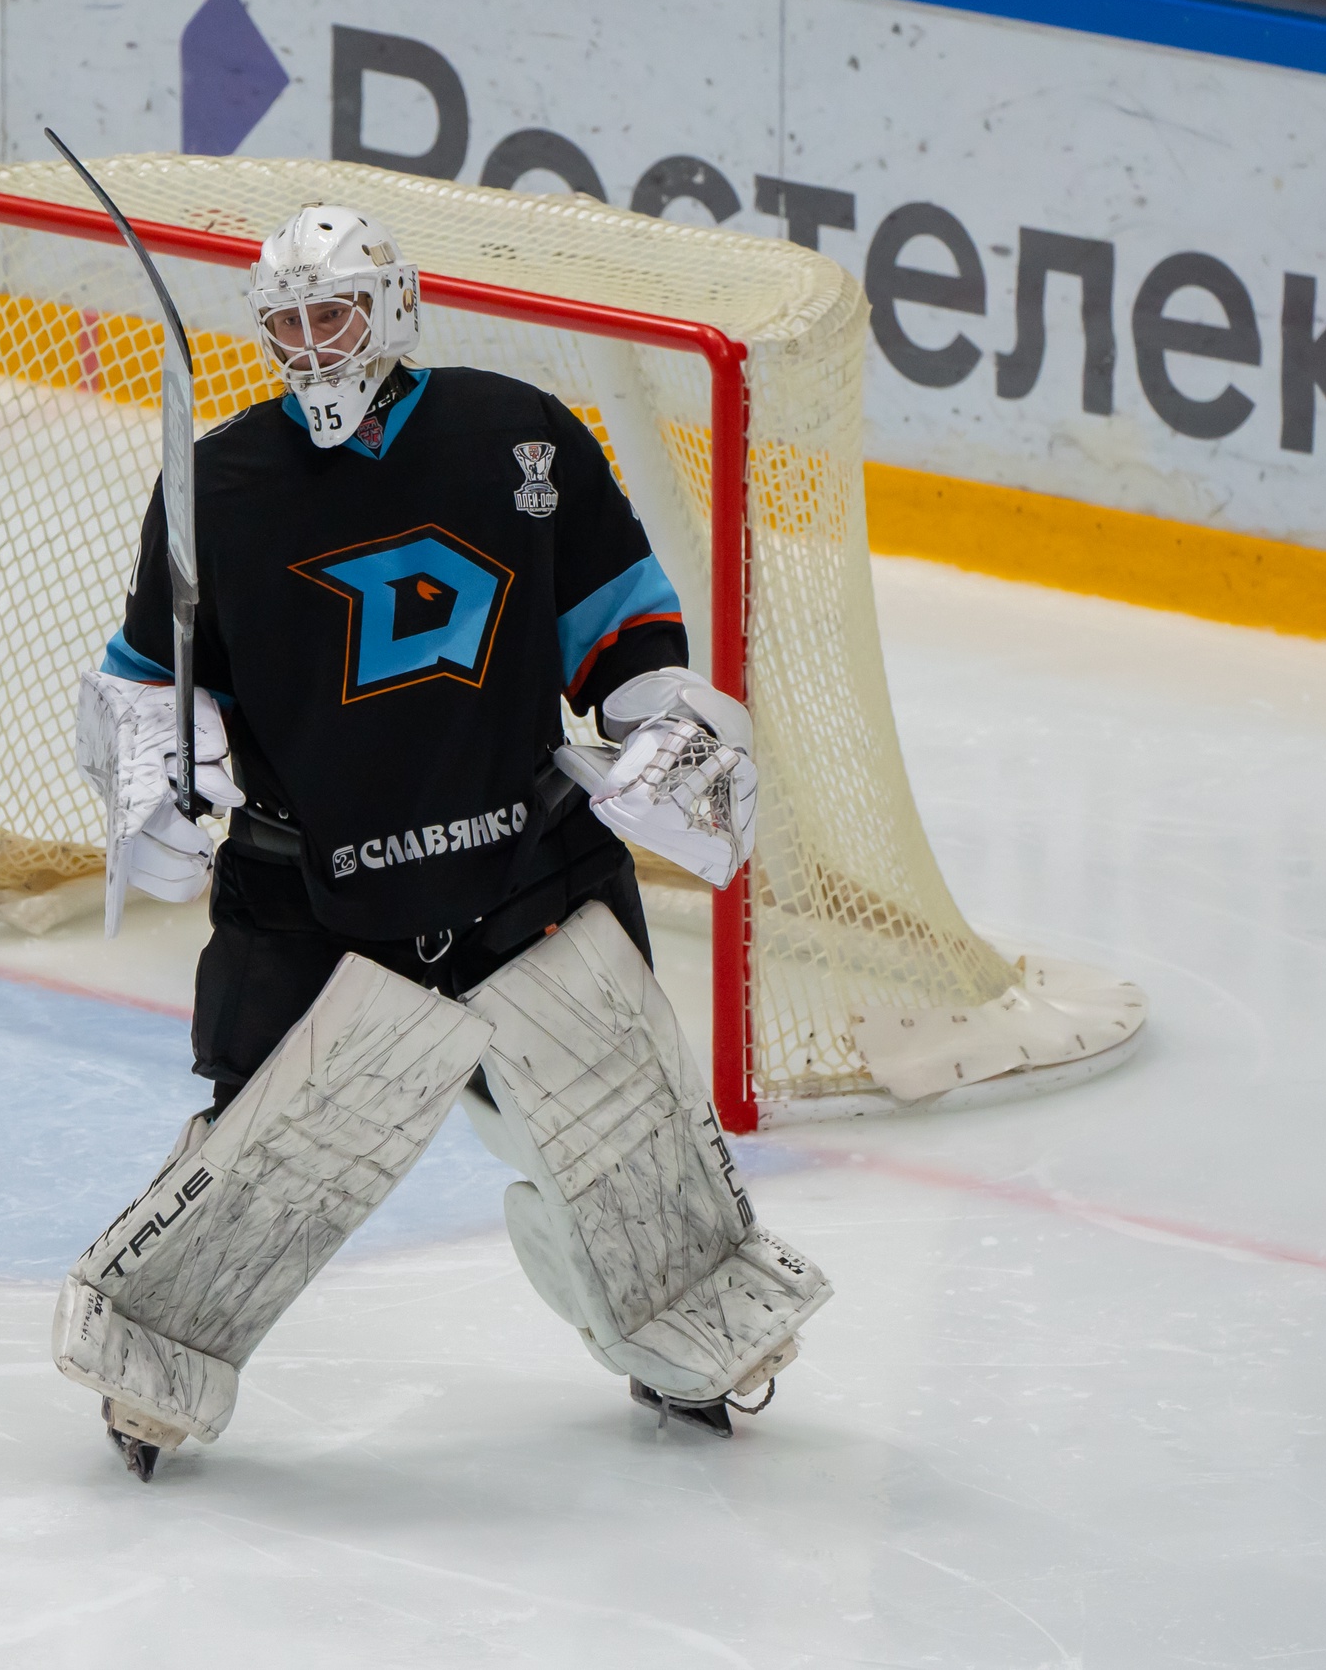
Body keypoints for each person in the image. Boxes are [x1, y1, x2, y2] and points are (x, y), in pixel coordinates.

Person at [52, 204, 830, 1482]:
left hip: (522, 858)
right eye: (288, 323)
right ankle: (155, 1358)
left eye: (335, 313)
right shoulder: (215, 484)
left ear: (394, 306)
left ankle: (682, 1326)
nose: (313, 345)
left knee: (618, 1114)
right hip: (311, 882)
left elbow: (621, 623)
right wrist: (161, 778)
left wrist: (657, 725)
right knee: (266, 1148)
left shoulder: (516, 434)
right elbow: (151, 678)